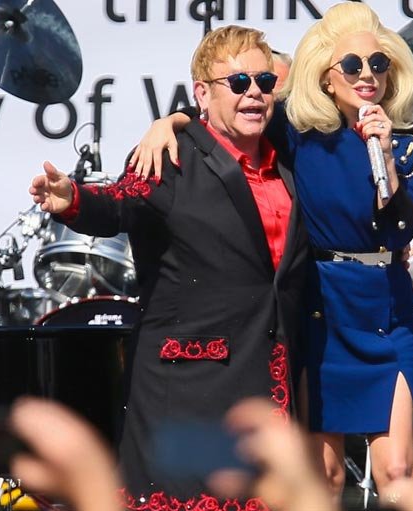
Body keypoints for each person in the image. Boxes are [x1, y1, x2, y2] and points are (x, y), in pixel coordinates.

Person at [128, 3, 413, 499]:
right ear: (326, 78)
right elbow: (227, 115)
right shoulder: (298, 134)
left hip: (386, 305)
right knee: (324, 476)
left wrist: (384, 155)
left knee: (399, 469)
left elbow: (402, 227)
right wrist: (169, 121)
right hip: (322, 307)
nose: (367, 75)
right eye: (352, 65)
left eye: (378, 64)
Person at [29, 25, 309, 508]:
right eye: (238, 83)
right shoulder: (172, 155)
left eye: (265, 82)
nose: (254, 93)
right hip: (191, 388)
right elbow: (119, 204)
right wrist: (73, 199)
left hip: (267, 383)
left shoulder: (286, 159)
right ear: (202, 94)